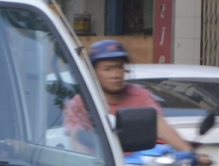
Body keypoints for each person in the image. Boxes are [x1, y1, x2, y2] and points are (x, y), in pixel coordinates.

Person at [63, 38, 202, 155]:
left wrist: (189, 153)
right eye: (108, 69)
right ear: (93, 72)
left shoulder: (140, 95)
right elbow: (76, 140)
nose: (116, 74)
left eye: (120, 67)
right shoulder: (81, 103)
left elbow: (162, 127)